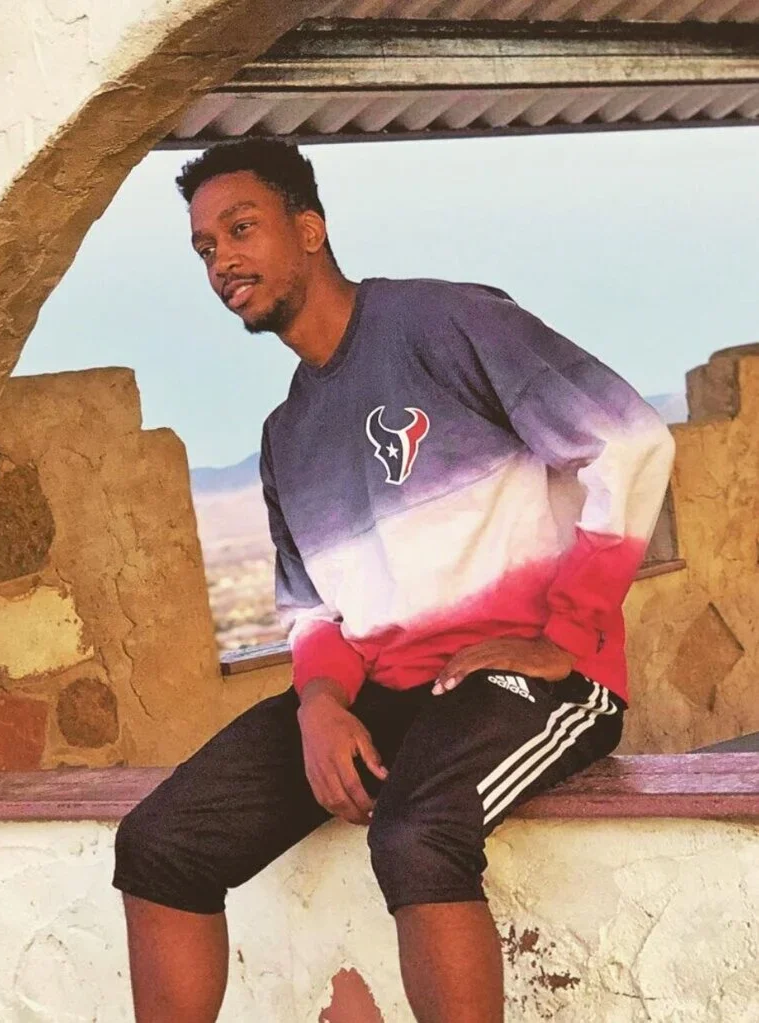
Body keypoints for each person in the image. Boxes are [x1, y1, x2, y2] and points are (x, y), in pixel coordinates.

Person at [113, 139, 675, 1022]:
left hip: (537, 676)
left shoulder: (444, 322)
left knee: (415, 833)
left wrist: (565, 634)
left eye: (241, 228)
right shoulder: (286, 433)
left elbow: (629, 440)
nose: (221, 260)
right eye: (204, 247)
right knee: (158, 843)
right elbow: (312, 608)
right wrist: (318, 703)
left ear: (309, 228)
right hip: (386, 691)